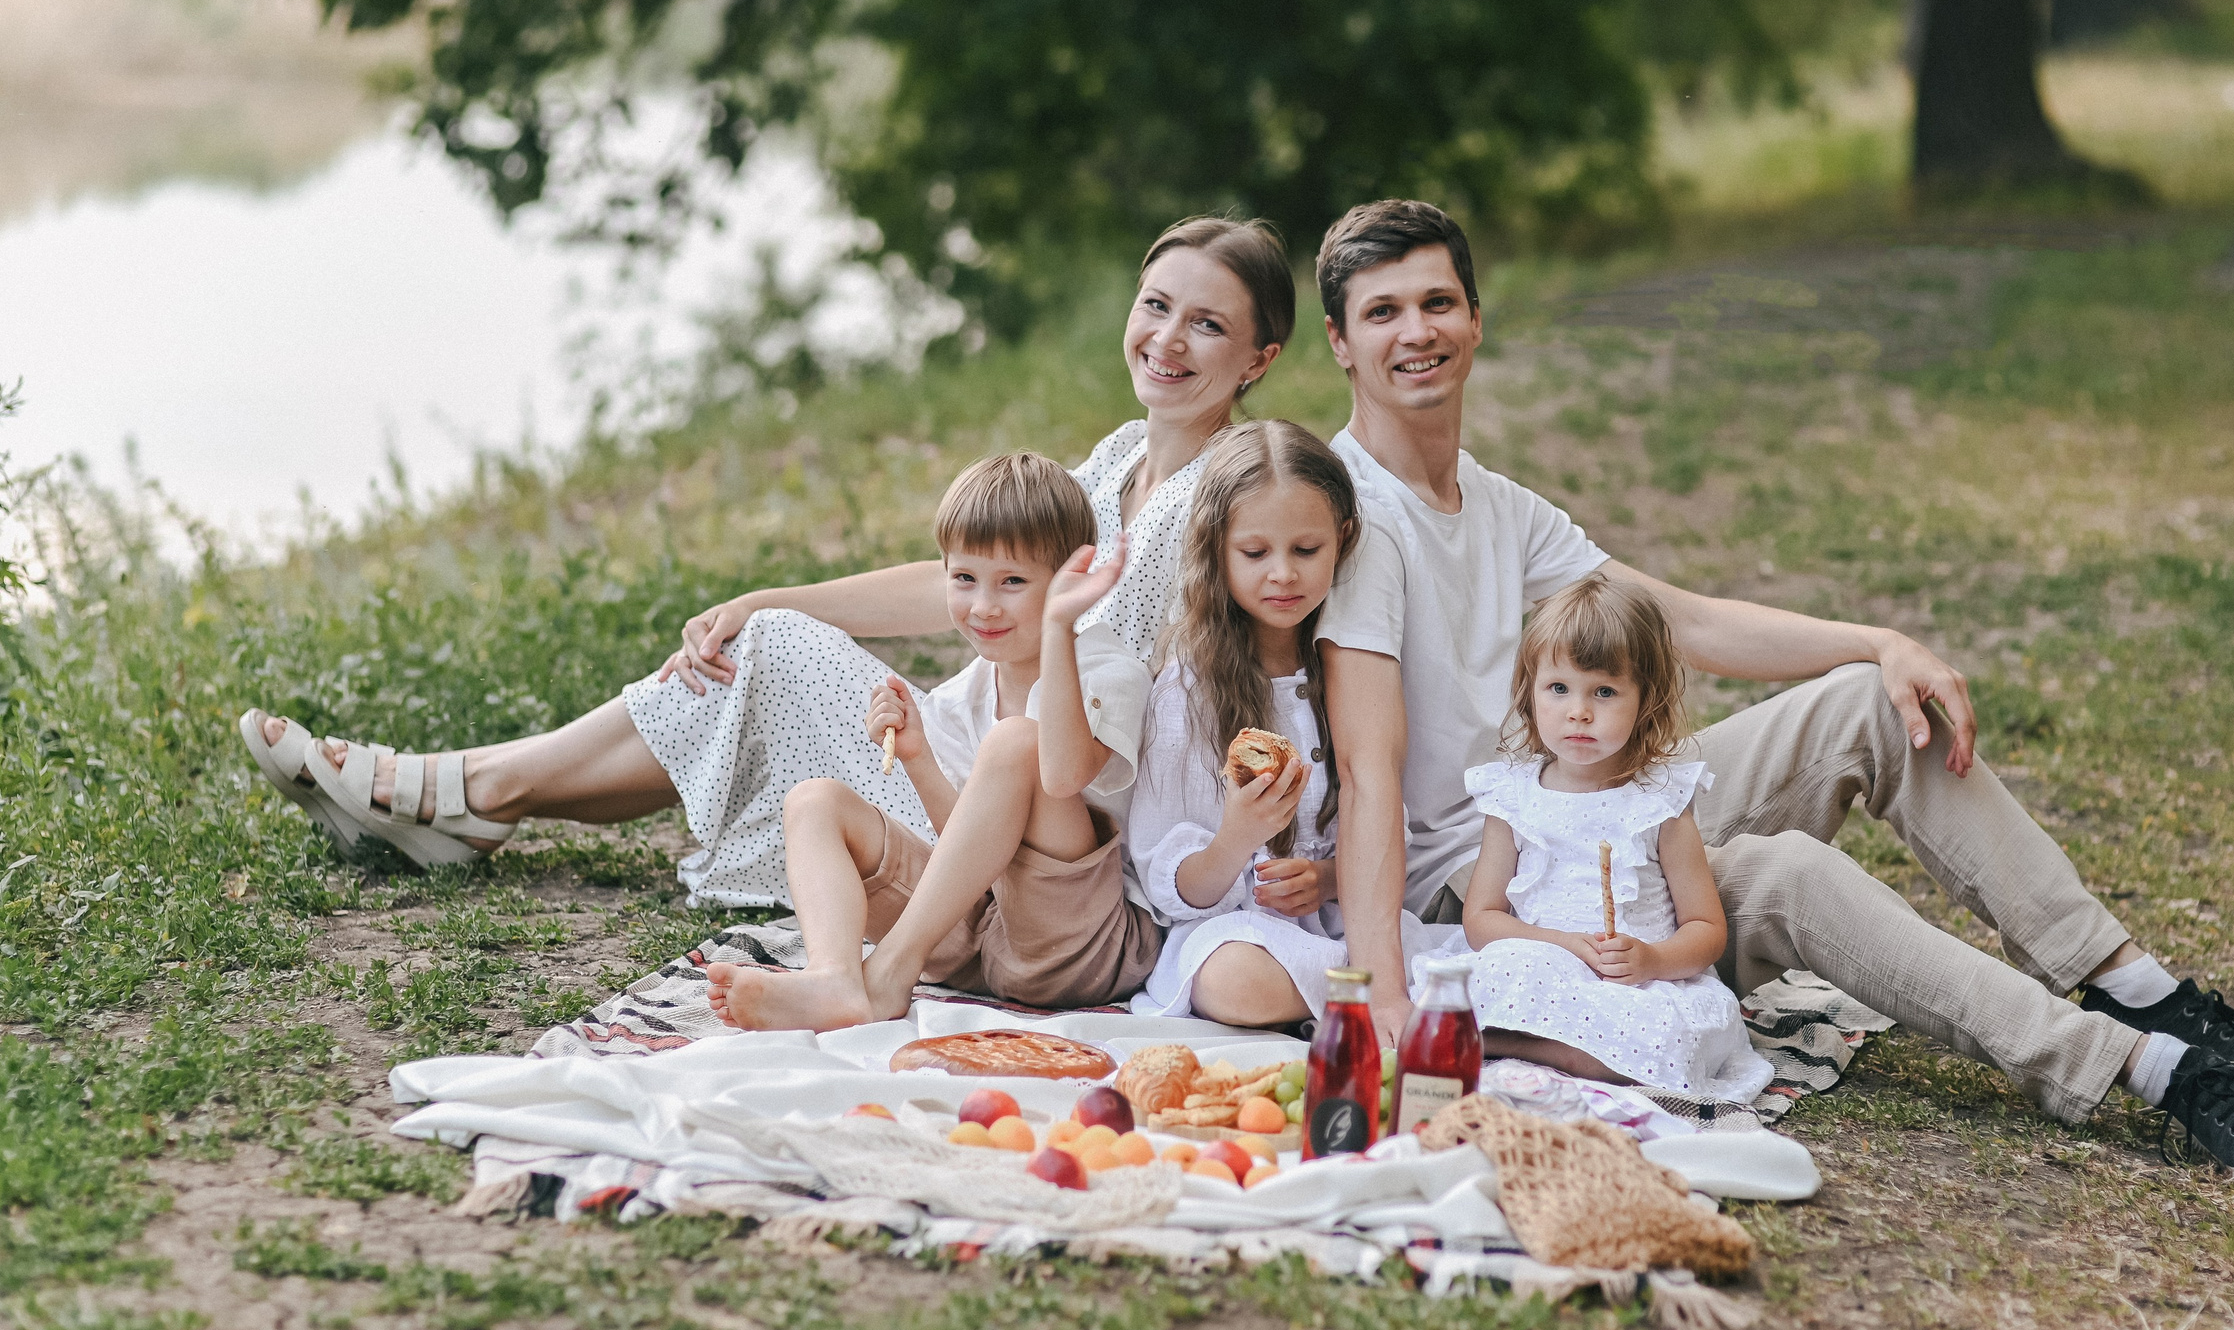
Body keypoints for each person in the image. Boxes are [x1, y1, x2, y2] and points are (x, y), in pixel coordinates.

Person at [1313, 198, 2234, 1189]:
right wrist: (1384, 1000)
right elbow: (1366, 775)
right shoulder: (1353, 519)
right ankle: (2145, 1070)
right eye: (1383, 312)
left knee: (1870, 702)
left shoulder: (1495, 504)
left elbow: (1683, 621)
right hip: (1491, 881)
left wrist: (1880, 639)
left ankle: (2144, 993)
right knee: (1786, 874)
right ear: (1340, 345)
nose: (1417, 331)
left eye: (1437, 302)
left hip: (1599, 800)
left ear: (1477, 319)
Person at [239, 215, 1295, 909]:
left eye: (1208, 325)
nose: (1168, 338)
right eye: (1156, 305)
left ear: (1259, 360)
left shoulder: (1232, 490)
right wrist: (768, 590)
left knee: (774, 654)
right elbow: (975, 581)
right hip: (971, 740)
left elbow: (1222, 669)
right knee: (763, 639)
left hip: (1039, 809)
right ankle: (477, 796)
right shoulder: (1116, 458)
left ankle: (467, 790)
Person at [704, 452, 1154, 1028]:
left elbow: (1063, 776)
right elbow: (970, 850)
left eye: (1012, 582)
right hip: (990, 938)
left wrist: (1060, 627)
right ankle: (836, 980)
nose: (983, 606)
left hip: (1082, 947)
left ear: (1074, 580)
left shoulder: (1109, 670)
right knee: (814, 801)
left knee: (1018, 743)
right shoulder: (966, 694)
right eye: (964, 578)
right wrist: (918, 759)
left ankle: (892, 969)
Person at [1122, 420, 1434, 1027]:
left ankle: (1357, 993)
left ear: (1342, 539)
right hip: (1237, 934)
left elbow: (1386, 822)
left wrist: (1324, 880)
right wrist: (1236, 837)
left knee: (1431, 954)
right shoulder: (1189, 691)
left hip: (1343, 929)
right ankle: (1345, 999)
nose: (1284, 574)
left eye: (1306, 550)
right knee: (1237, 980)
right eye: (1256, 553)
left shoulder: (1348, 670)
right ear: (1217, 549)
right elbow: (1168, 883)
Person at [1452, 573, 1771, 1106]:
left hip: (1631, 983)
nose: (1578, 711)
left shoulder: (1658, 801)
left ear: (1646, 699)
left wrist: (1651, 960)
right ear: (1529, 694)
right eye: (1558, 689)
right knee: (1503, 969)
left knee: (1662, 1031)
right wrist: (1563, 945)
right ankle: (1558, 1050)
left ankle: (1533, 1051)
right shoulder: (1512, 796)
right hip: (1543, 964)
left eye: (1604, 691)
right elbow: (1482, 920)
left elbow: (1706, 928)